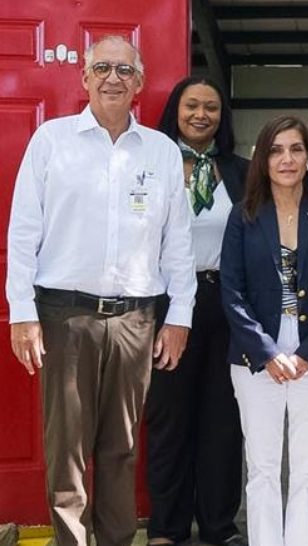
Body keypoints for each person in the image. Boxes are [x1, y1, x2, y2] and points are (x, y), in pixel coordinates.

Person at [5, 36, 195, 546]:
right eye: (103, 68)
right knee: (66, 448)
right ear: (84, 78)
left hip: (136, 320)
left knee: (122, 448)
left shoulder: (159, 151)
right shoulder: (52, 140)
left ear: (140, 83)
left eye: (125, 70)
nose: (114, 78)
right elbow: (23, 230)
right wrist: (21, 311)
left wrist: (179, 317)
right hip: (64, 317)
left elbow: (177, 241)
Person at [220, 115, 308, 546]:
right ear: (262, 158)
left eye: (296, 149)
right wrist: (265, 352)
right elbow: (232, 291)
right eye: (276, 150)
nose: (287, 159)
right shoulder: (244, 216)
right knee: (261, 468)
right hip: (255, 358)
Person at [143, 76, 248, 546]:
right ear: (175, 110)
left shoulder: (242, 171)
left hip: (227, 303)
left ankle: (218, 526)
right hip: (167, 306)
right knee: (169, 420)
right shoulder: (151, 162)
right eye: (192, 106)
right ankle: (167, 528)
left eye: (211, 107)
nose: (201, 114)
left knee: (224, 422)